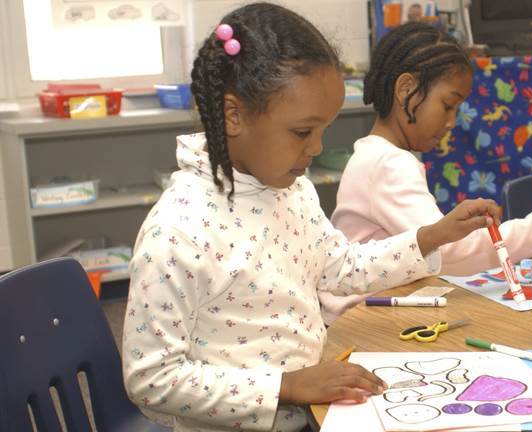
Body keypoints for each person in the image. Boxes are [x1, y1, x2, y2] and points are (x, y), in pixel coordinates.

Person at [121, 4, 500, 431]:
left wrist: (431, 237)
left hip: (313, 414)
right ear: (233, 115)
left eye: (324, 130)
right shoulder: (177, 232)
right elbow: (151, 380)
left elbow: (340, 268)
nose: (317, 148)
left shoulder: (291, 189)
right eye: (303, 132)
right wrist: (287, 386)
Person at [324, 22, 532, 322]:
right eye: (447, 105)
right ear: (406, 90)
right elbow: (451, 253)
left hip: (380, 310)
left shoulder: (376, 156)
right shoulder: (388, 165)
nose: (452, 121)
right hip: (364, 321)